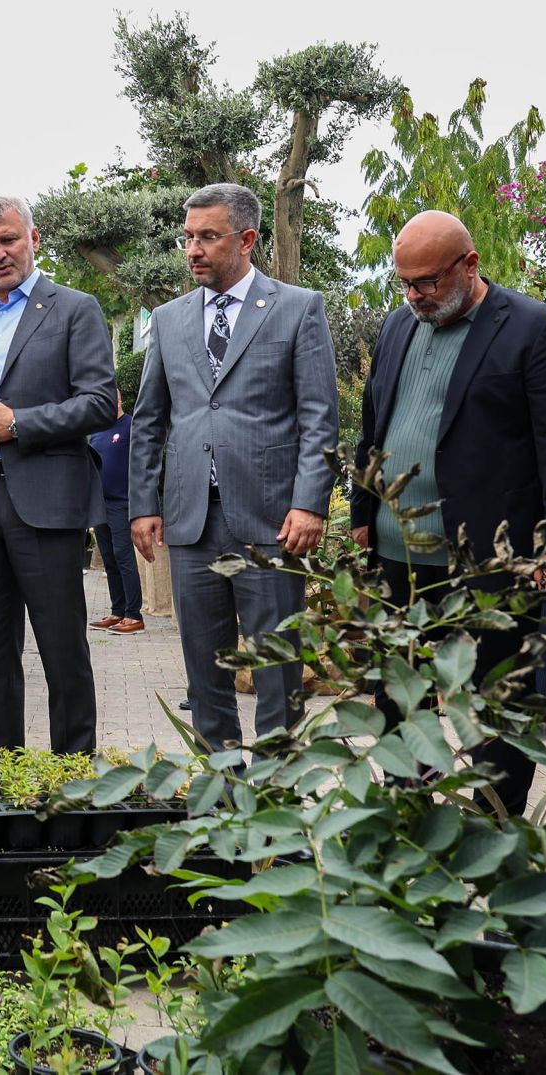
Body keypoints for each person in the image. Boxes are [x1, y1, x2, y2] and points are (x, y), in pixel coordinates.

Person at [352, 210, 546, 816]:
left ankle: (492, 830)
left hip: (491, 563)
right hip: (397, 559)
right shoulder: (396, 328)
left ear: (470, 264)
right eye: (405, 283)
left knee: (496, 705)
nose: (415, 296)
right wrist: (363, 508)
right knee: (399, 703)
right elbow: (373, 425)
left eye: (429, 282)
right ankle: (411, 820)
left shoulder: (539, 331)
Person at [129, 183, 339, 751]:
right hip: (192, 522)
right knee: (205, 671)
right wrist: (144, 505)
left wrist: (309, 503)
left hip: (273, 523)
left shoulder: (298, 308)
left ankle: (276, 806)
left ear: (246, 239)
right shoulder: (168, 320)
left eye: (208, 237)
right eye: (188, 237)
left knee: (277, 672)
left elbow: (320, 418)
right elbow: (150, 420)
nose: (193, 249)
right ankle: (220, 803)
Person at [0, 195, 116, 754]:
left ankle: (75, 778)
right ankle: (6, 773)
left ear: (34, 240)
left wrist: (19, 424)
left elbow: (101, 401)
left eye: (8, 240)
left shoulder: (75, 308)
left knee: (62, 648)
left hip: (45, 503)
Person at [88, 391, 144, 635]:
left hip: (122, 503)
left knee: (124, 557)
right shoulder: (97, 432)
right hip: (100, 504)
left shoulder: (131, 426)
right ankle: (118, 610)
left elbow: (142, 463)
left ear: (119, 400)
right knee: (109, 559)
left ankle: (134, 615)